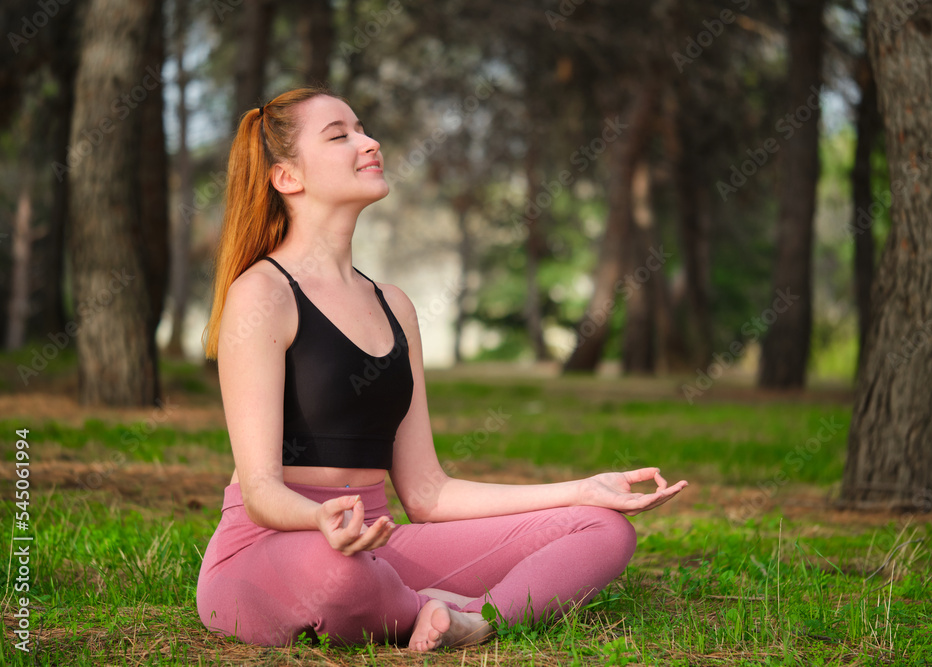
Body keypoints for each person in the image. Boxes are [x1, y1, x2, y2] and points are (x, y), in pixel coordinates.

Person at [197, 86, 688, 652]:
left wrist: (583, 489)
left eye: (363, 127)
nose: (369, 141)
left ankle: (473, 621)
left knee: (602, 529)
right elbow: (259, 490)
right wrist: (320, 520)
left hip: (379, 541)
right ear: (287, 178)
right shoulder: (262, 293)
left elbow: (427, 493)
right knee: (338, 574)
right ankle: (429, 606)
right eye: (341, 135)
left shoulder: (395, 306)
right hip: (274, 544)